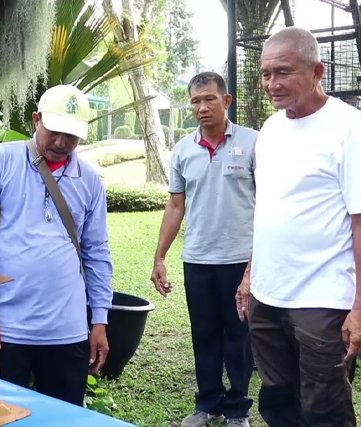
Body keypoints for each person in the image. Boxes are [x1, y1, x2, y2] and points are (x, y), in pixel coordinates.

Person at [236, 27, 361, 426]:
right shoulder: (271, 130)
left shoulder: (350, 129)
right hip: (269, 295)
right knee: (277, 399)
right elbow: (268, 210)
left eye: (283, 72)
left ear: (317, 71)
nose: (272, 84)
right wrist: (251, 274)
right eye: (265, 74)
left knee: (325, 407)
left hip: (321, 299)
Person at [0, 84, 113, 406]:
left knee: (64, 417)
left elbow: (97, 253)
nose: (62, 143)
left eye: (72, 136)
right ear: (36, 119)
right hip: (6, 328)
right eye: (55, 131)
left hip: (68, 329)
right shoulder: (0, 161)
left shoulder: (89, 180)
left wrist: (99, 320)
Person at [151, 71, 257, 427]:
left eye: (209, 99)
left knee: (239, 337)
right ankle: (207, 403)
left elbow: (268, 205)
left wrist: (253, 265)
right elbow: (175, 206)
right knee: (204, 333)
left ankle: (238, 410)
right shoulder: (183, 149)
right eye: (195, 101)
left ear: (226, 101)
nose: (202, 107)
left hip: (240, 260)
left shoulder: (254, 143)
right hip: (197, 259)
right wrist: (160, 256)